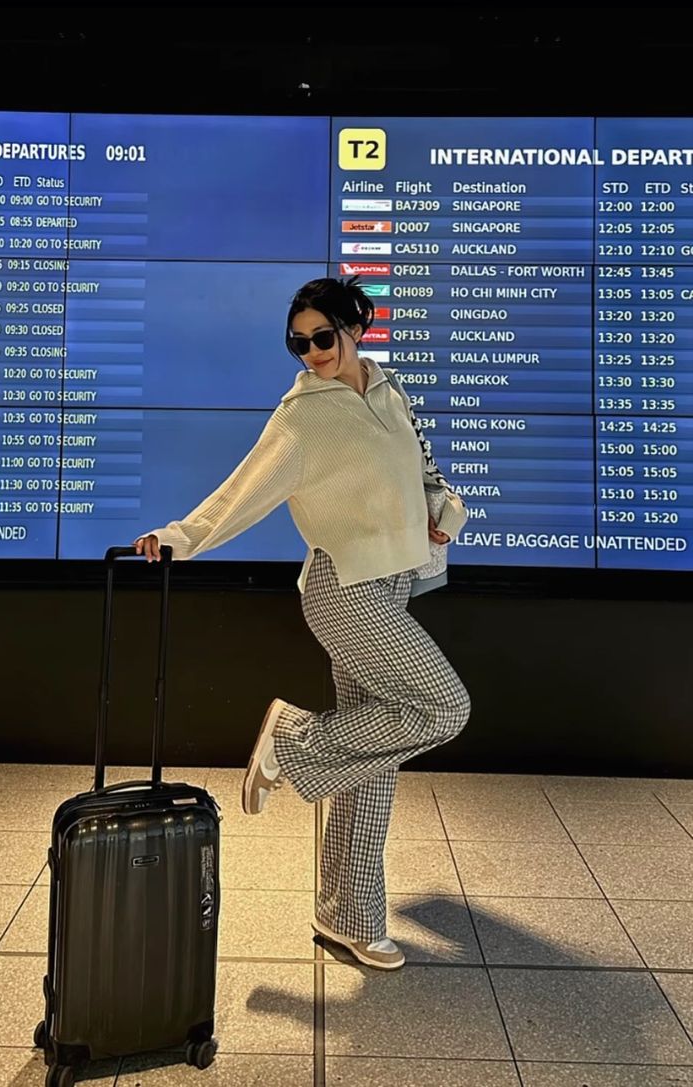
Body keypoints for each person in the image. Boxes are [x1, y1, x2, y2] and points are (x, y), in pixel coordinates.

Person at [135, 276, 471, 970]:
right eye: (298, 341)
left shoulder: (388, 389)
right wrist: (179, 537)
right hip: (342, 588)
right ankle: (289, 739)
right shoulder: (302, 416)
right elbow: (242, 491)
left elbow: (425, 471)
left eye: (322, 336)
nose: (310, 351)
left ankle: (347, 914)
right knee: (443, 707)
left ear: (357, 328)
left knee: (370, 761)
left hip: (393, 582)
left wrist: (440, 511)